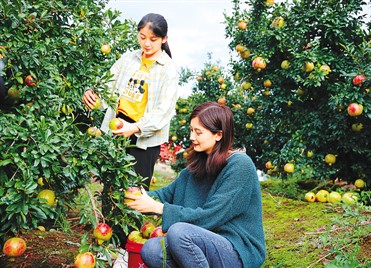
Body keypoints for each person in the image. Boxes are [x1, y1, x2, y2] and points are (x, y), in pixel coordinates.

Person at [125, 102, 267, 268]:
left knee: (179, 233)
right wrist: (134, 195)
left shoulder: (239, 165)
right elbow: (164, 195)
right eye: (191, 130)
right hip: (200, 243)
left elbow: (211, 216)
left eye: (198, 132)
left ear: (218, 135)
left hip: (236, 249)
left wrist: (159, 208)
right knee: (152, 249)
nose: (192, 137)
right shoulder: (194, 170)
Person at [82, 13, 179, 190]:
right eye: (142, 37)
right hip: (117, 127)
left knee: (134, 192)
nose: (146, 44)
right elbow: (107, 85)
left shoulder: (169, 69)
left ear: (164, 39)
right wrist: (91, 92)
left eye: (153, 39)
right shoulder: (128, 59)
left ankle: (129, 219)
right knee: (111, 188)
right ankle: (107, 219)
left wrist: (134, 128)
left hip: (144, 138)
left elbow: (163, 111)